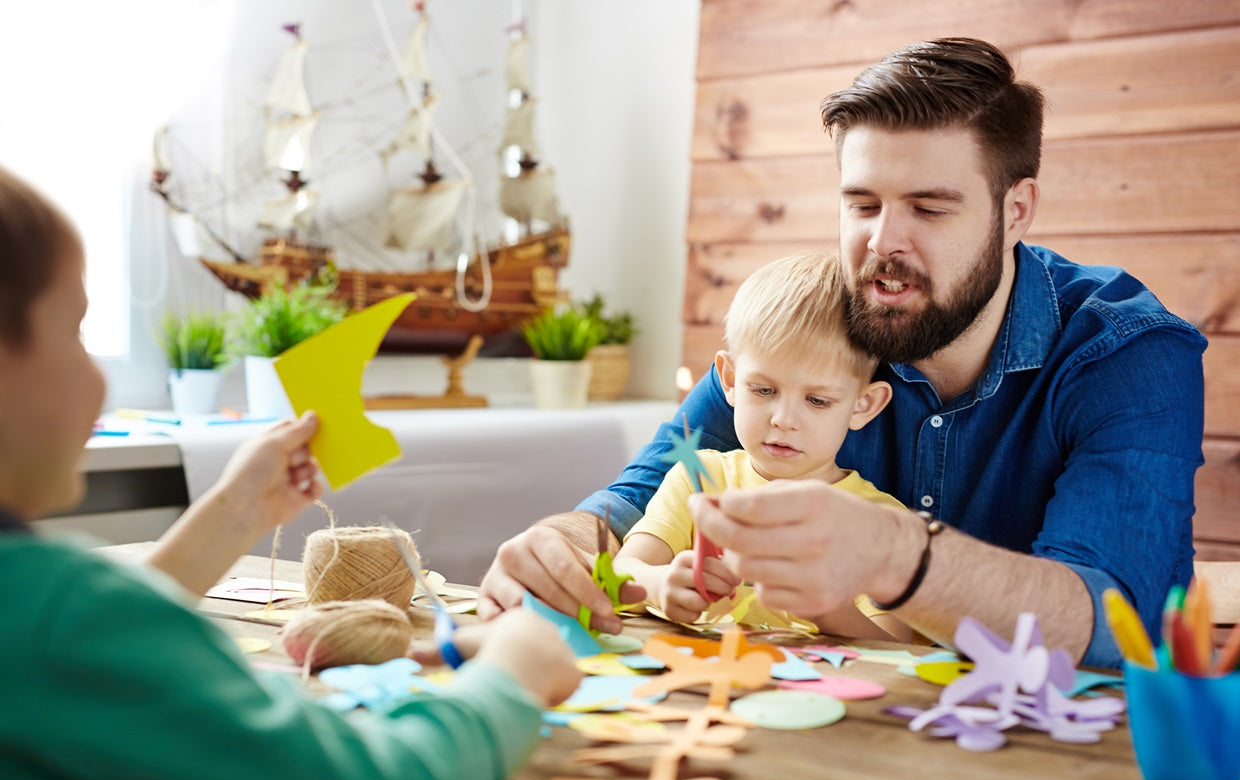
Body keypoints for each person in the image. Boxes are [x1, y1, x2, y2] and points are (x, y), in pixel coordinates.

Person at [478, 37, 1206, 670]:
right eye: (861, 204)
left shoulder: (1130, 354)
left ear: (1015, 210)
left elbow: (1114, 623)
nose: (883, 243)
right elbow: (646, 492)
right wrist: (565, 539)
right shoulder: (819, 320)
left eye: (928, 207)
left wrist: (900, 556)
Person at [0, 164, 581, 780]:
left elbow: (90, 645)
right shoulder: (60, 619)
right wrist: (512, 677)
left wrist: (238, 511)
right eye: (75, 329)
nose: (98, 379)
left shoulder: (50, 620)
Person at [613, 252, 911, 641]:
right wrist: (658, 584)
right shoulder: (698, 480)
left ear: (863, 405)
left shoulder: (880, 522)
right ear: (731, 380)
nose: (783, 419)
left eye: (817, 401)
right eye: (764, 390)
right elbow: (615, 578)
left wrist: (827, 611)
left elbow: (900, 650)